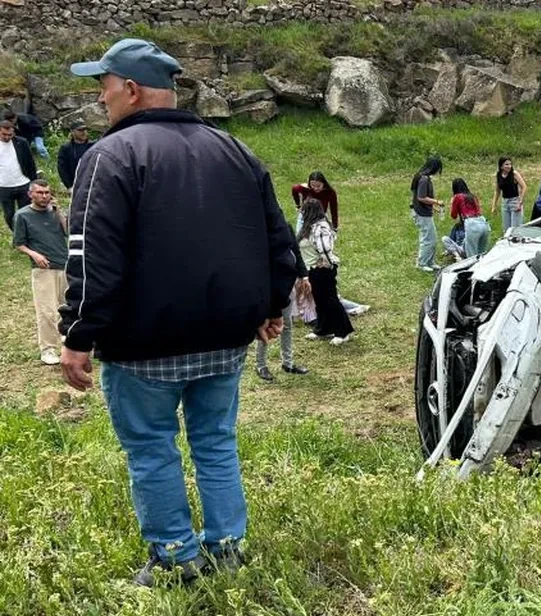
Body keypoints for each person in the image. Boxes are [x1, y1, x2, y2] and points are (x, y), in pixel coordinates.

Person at [59, 39, 298, 586]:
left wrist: (78, 333)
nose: (101, 99)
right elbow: (278, 241)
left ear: (131, 89)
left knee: (151, 448)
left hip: (143, 347)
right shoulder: (234, 149)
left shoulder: (109, 158)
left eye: (104, 86)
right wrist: (268, 306)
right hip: (223, 340)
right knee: (215, 442)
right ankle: (227, 549)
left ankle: (174, 557)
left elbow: (92, 257)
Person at [12, 179, 68, 366]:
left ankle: (66, 336)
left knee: (67, 306)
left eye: (46, 192)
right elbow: (19, 243)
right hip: (43, 269)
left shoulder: (55, 213)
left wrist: (59, 212)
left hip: (65, 264)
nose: (44, 196)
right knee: (46, 311)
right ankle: (48, 349)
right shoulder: (23, 215)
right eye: (40, 193)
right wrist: (34, 254)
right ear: (30, 194)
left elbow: (68, 231)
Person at [297, 198, 353, 345]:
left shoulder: (320, 228)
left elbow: (325, 249)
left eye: (304, 211)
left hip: (322, 270)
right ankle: (324, 329)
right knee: (320, 301)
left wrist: (326, 264)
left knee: (330, 300)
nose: (301, 213)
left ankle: (343, 331)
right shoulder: (308, 227)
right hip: (312, 270)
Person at [254, 234, 310, 382]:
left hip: (286, 286)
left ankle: (288, 363)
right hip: (268, 287)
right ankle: (261, 365)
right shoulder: (258, 229)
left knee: (287, 324)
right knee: (266, 326)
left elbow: (295, 251)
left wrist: (304, 275)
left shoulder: (283, 226)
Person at [0, 119, 39, 231]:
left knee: (27, 212)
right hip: (4, 186)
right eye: (4, 134)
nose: (7, 137)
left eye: (10, 134)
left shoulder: (21, 143)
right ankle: (17, 234)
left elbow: (30, 162)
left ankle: (27, 235)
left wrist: (34, 181)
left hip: (23, 182)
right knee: (9, 215)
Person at [411, 155, 445, 271]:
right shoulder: (424, 179)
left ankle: (430, 262)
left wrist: (434, 208)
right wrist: (437, 202)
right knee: (428, 239)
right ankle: (422, 263)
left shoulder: (422, 177)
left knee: (431, 238)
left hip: (424, 211)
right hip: (422, 213)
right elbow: (421, 197)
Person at [450, 178, 490, 258]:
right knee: (482, 252)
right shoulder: (472, 196)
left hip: (471, 223)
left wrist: (452, 203)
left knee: (472, 253)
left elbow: (453, 215)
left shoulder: (458, 197)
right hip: (483, 221)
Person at [57, 120, 95, 191]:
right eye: (80, 130)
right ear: (72, 132)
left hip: (93, 183)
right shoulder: (66, 148)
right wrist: (69, 186)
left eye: (85, 130)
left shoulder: (94, 146)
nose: (84, 132)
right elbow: (62, 168)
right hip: (76, 185)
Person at [492, 157, 526, 234]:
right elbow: (497, 191)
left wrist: (520, 202)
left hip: (514, 201)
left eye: (510, 164)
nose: (509, 166)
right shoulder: (498, 175)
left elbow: (524, 187)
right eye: (506, 164)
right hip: (505, 202)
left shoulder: (514, 174)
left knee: (515, 229)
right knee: (506, 229)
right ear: (501, 166)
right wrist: (494, 205)